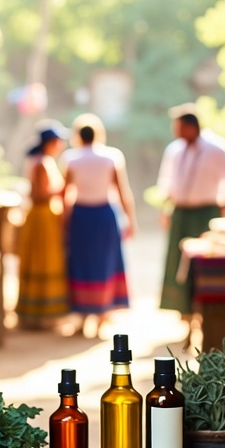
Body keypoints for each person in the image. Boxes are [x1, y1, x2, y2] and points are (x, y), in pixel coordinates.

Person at [157, 104, 225, 314]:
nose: (176, 133)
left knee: (205, 263)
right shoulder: (174, 150)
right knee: (178, 262)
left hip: (206, 212)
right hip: (181, 211)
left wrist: (224, 206)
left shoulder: (217, 148)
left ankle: (204, 309)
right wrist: (167, 209)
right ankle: (182, 309)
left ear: (191, 127)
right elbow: (168, 182)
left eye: (179, 128)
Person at [61, 114, 138, 336]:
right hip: (105, 215)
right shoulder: (111, 157)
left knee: (82, 264)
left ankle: (85, 314)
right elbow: (123, 192)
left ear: (78, 136)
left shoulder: (71, 159)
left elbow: (65, 194)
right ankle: (103, 314)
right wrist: (131, 220)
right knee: (105, 264)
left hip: (81, 217)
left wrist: (63, 222)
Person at [16, 121, 69, 327]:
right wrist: (63, 187)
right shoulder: (41, 162)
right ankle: (40, 312)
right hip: (42, 215)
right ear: (51, 142)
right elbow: (39, 194)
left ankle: (42, 311)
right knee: (43, 260)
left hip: (43, 215)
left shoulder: (42, 160)